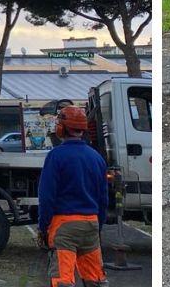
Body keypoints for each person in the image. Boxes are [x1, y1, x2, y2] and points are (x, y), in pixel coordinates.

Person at [38, 105, 109, 287]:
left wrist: (43, 227)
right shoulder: (97, 158)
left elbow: (47, 197)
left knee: (63, 280)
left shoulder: (56, 156)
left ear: (61, 128)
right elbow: (103, 199)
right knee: (95, 280)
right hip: (91, 224)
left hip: (64, 227)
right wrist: (97, 226)